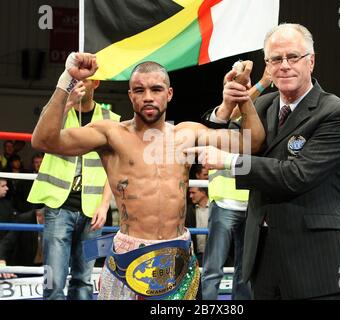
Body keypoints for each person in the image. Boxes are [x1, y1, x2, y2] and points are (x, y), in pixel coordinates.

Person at [30, 52, 263, 300]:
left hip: (178, 254)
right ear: (130, 96)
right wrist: (68, 79)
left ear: (169, 94)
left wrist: (243, 99)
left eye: (156, 89)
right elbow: (43, 140)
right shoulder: (111, 134)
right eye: (139, 90)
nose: (148, 97)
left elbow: (251, 143)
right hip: (128, 255)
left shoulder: (187, 134)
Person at [186, 23, 340, 300]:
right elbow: (217, 136)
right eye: (276, 59)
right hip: (262, 260)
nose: (285, 65)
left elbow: (296, 175)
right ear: (268, 65)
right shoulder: (263, 106)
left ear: (311, 61)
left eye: (293, 57)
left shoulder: (338, 113)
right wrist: (227, 105)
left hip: (315, 262)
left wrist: (231, 162)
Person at [27, 79, 120, 300]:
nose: (79, 83)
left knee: (84, 280)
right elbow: (40, 137)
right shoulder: (56, 112)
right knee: (54, 280)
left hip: (93, 213)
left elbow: (114, 168)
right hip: (59, 207)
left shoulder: (112, 120)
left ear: (95, 83)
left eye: (84, 79)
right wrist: (67, 103)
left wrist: (105, 204)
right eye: (74, 79)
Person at [199, 66, 271, 300]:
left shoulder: (256, 119)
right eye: (236, 85)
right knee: (212, 268)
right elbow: (227, 114)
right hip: (224, 203)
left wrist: (259, 84)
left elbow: (248, 112)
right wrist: (262, 81)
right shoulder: (219, 117)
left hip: (250, 204)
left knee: (245, 270)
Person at [185, 187, 209, 266]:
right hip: (195, 255)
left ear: (203, 193)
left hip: (213, 255)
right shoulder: (188, 210)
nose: (190, 196)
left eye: (193, 193)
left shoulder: (216, 208)